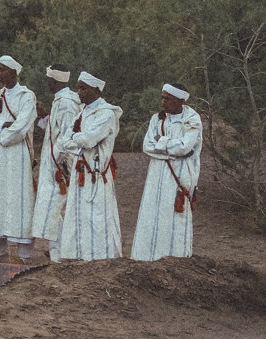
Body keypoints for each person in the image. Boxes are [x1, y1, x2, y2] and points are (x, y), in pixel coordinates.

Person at [0, 55, 38, 263]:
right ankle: (1, 251)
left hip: (17, 153)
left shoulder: (26, 96)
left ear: (14, 72)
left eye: (3, 69)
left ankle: (24, 254)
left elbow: (21, 127)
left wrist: (0, 134)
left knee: (19, 197)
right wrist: (1, 127)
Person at [57, 72, 124, 261]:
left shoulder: (107, 113)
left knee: (98, 215)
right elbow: (63, 141)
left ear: (96, 90)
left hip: (96, 172)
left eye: (83, 88)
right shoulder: (81, 114)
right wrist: (78, 140)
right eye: (78, 88)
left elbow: (89, 139)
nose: (79, 92)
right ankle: (77, 255)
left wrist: (76, 139)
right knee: (77, 214)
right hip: (80, 170)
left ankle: (101, 258)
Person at [131, 84, 202, 261]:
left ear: (180, 100)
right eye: (162, 98)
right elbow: (147, 146)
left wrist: (161, 143)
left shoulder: (192, 119)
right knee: (151, 213)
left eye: (167, 99)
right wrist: (171, 149)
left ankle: (175, 259)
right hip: (156, 175)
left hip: (180, 175)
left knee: (173, 217)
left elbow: (185, 147)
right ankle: (146, 258)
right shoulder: (157, 119)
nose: (163, 102)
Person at [32, 65, 79, 256]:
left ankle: (59, 251)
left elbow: (69, 134)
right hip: (52, 163)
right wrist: (44, 115)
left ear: (55, 80)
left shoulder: (67, 102)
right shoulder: (59, 100)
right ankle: (57, 248)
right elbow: (55, 128)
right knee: (51, 206)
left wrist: (63, 164)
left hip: (59, 165)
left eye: (48, 79)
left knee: (55, 205)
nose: (47, 83)